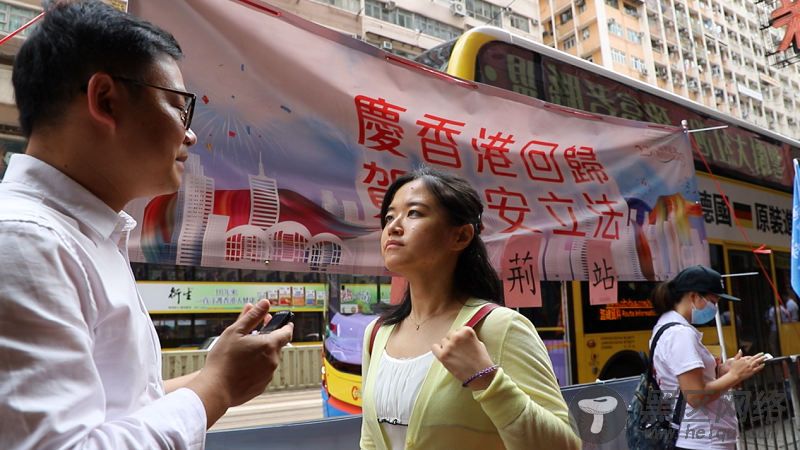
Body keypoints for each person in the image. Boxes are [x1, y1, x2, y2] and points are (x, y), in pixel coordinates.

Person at [0, 2, 293, 449]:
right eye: (179, 107)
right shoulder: (23, 239)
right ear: (105, 100)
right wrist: (216, 388)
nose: (190, 134)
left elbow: (122, 409)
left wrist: (218, 373)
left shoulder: (85, 236)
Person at [360, 167, 580, 450]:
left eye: (414, 213)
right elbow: (370, 440)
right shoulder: (377, 334)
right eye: (389, 216)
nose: (393, 226)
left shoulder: (500, 327)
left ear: (461, 237)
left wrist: (487, 380)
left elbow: (565, 445)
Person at [649, 265, 768, 450]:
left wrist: (720, 370)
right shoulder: (680, 334)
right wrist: (735, 376)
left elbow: (686, 381)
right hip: (704, 440)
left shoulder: (665, 328)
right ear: (693, 296)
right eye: (713, 301)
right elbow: (695, 396)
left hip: (700, 437)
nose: (715, 308)